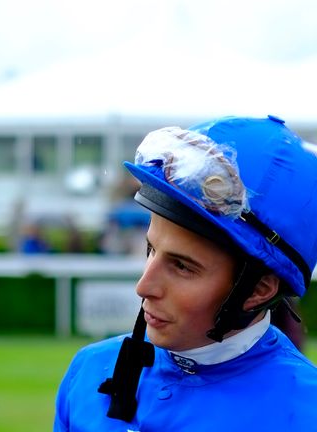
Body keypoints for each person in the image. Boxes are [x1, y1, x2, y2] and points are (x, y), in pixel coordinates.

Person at [54, 115, 317, 431]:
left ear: (259, 289)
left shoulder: (304, 413)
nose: (144, 286)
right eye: (150, 250)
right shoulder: (89, 371)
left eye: (182, 266)